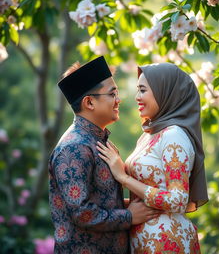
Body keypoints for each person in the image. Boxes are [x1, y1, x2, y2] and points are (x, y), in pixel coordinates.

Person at [48, 56, 162, 254]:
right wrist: (129, 216)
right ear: (90, 102)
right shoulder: (74, 148)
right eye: (112, 94)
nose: (118, 100)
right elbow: (81, 212)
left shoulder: (101, 142)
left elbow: (103, 201)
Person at [97, 62, 209, 253]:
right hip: (143, 241)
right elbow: (143, 195)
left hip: (167, 242)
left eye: (142, 90)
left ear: (164, 92)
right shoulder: (149, 135)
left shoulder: (174, 136)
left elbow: (178, 200)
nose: (136, 97)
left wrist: (124, 178)